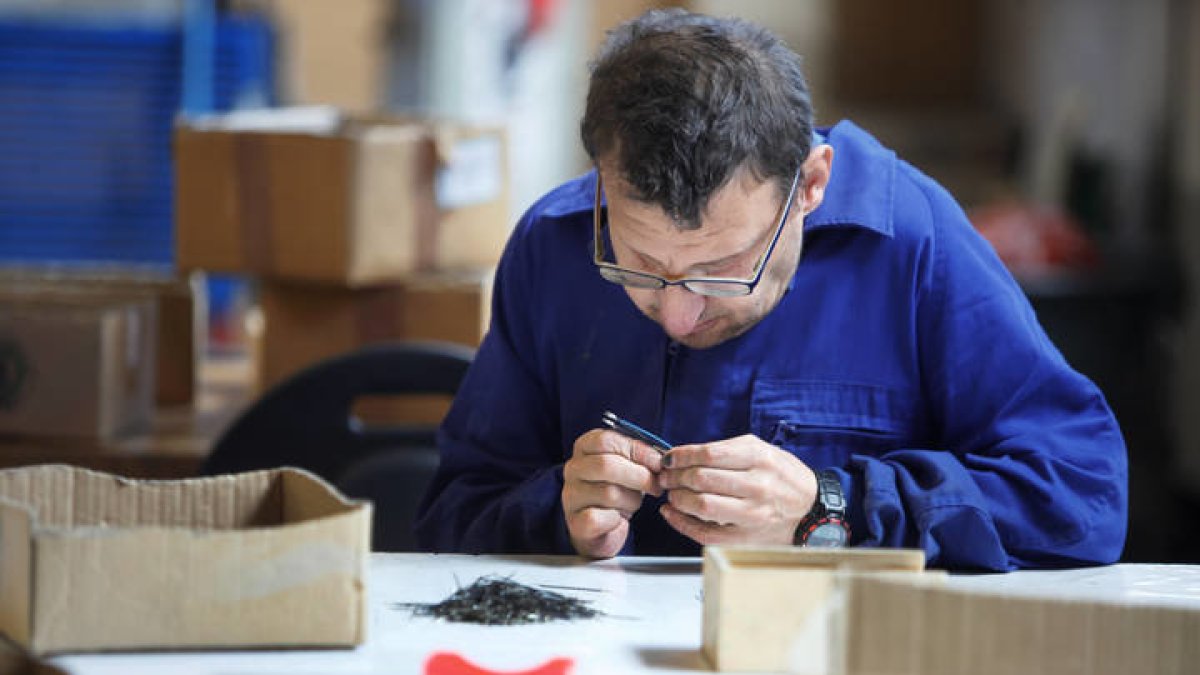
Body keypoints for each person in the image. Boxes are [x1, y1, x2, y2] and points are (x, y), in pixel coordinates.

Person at [414, 9, 1127, 570]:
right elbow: (451, 512)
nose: (677, 314)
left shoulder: (913, 238)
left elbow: (1083, 493)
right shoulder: (555, 242)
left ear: (811, 184)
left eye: (723, 269)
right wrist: (554, 513)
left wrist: (832, 509)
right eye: (636, 265)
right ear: (604, 179)